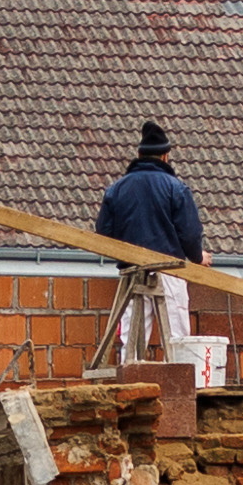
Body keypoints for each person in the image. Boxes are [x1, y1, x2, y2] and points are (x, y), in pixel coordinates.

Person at [95, 121, 204, 371]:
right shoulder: (175, 188)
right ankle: (185, 393)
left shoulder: (117, 190)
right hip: (170, 271)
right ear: (166, 156)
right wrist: (197, 258)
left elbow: (103, 234)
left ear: (139, 155)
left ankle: (128, 388)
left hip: (132, 274)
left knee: (131, 343)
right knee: (178, 339)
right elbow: (190, 233)